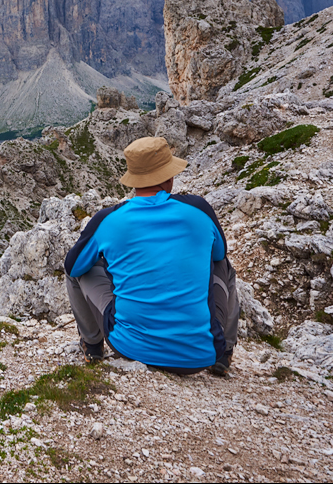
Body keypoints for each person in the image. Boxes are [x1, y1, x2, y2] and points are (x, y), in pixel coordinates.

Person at [63, 136, 239, 376]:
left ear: (134, 180)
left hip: (131, 347)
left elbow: (72, 268)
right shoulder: (199, 209)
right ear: (168, 177)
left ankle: (93, 347)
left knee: (78, 270)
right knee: (223, 264)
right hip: (200, 355)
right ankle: (224, 353)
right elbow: (219, 253)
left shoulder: (108, 219)